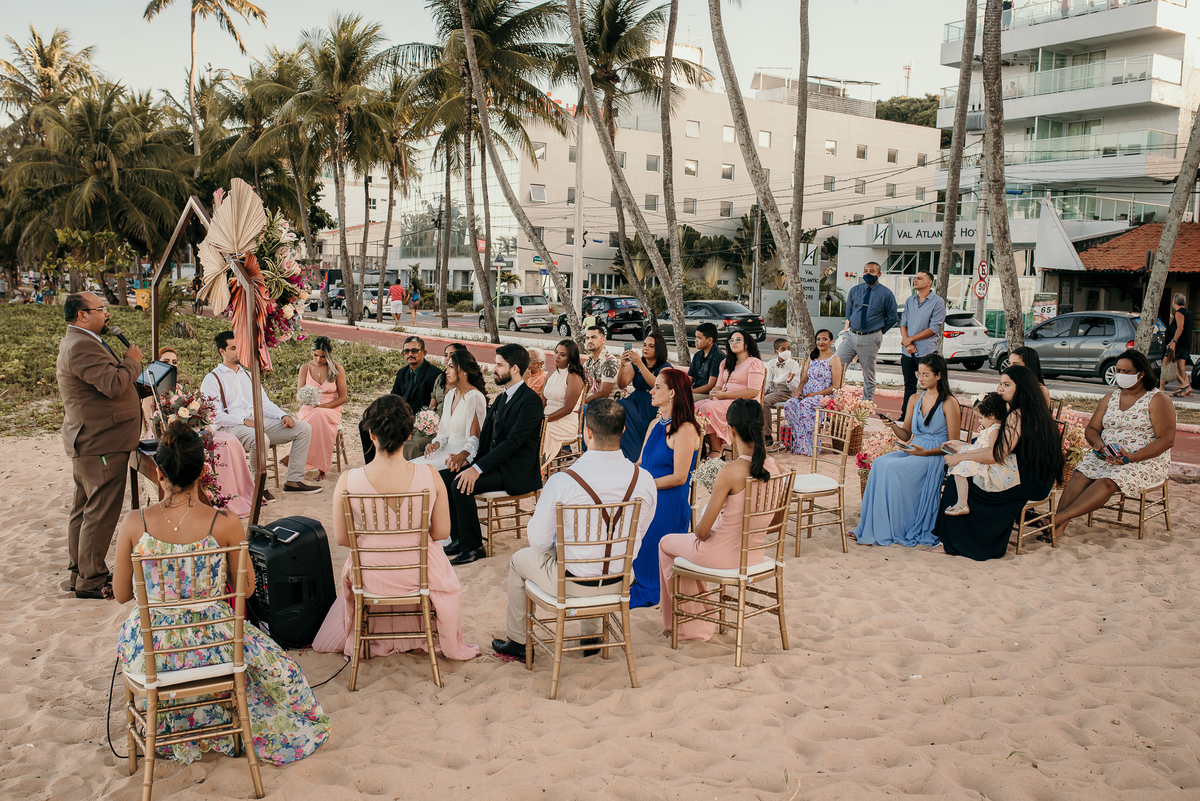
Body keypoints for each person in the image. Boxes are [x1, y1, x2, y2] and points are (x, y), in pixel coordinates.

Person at [114, 423, 331, 765]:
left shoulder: (133, 523)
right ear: (204, 470)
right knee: (282, 670)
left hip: (156, 648)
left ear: (158, 473)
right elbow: (245, 589)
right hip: (214, 645)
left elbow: (121, 593)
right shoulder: (225, 523)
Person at [313, 395, 479, 661]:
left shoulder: (348, 480)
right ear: (409, 435)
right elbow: (442, 533)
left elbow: (343, 538)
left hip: (370, 575)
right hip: (420, 574)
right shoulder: (430, 476)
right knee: (442, 569)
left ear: (370, 434)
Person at [491, 399, 658, 662]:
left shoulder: (563, 482)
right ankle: (591, 639)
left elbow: (538, 542)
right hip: (620, 582)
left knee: (519, 560)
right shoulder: (645, 480)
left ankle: (518, 641)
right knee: (591, 554)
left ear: (586, 432)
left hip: (572, 586)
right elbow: (639, 533)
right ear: (623, 431)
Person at [658, 399, 780, 641]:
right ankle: (700, 613)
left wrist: (711, 521)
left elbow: (702, 533)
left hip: (721, 557)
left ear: (731, 431)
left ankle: (683, 625)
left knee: (666, 544)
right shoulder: (775, 468)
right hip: (754, 556)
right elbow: (776, 522)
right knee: (683, 550)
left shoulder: (730, 471)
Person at [55, 292, 143, 599]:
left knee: (85, 509)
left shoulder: (84, 340)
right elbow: (113, 384)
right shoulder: (81, 346)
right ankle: (91, 580)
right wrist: (132, 363)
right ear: (82, 315)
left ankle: (79, 572)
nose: (106, 314)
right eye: (100, 309)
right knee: (101, 512)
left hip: (95, 439)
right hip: (101, 441)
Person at [932, 365, 1064, 559]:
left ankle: (956, 544)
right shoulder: (1035, 410)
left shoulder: (1017, 415)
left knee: (959, 478)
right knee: (967, 472)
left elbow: (996, 455)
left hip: (1026, 482)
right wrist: (965, 446)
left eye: (1007, 384)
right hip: (1036, 479)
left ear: (1021, 388)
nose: (1000, 388)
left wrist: (961, 456)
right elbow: (1001, 449)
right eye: (1000, 383)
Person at [1053, 350, 1175, 540]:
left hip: (1143, 461)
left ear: (1141, 373)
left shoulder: (1157, 399)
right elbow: (1092, 428)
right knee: (1079, 474)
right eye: (1118, 370)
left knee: (1108, 481)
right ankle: (1059, 528)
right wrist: (1098, 443)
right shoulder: (1111, 397)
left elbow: (1166, 439)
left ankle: (1055, 519)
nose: (1120, 375)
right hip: (1107, 455)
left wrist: (1132, 457)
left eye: (1126, 371)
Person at [443, 344, 544, 565]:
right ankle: (460, 538)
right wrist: (467, 459)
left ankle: (473, 547)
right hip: (497, 466)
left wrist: (476, 470)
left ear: (515, 368)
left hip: (516, 472)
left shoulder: (530, 401)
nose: (493, 368)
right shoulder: (501, 398)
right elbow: (487, 438)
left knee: (459, 485)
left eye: (499, 365)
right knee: (445, 477)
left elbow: (512, 443)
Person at [853, 353, 960, 547]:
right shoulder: (914, 399)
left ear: (938, 375)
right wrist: (892, 425)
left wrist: (926, 452)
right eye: (919, 374)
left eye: (926, 374)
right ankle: (874, 526)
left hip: (935, 455)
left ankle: (895, 527)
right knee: (879, 463)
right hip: (913, 448)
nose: (921, 378)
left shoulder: (949, 403)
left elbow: (954, 446)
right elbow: (906, 434)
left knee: (892, 469)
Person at [201, 331, 322, 495]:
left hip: (256, 423)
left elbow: (264, 404)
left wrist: (283, 415)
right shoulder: (212, 378)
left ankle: (293, 481)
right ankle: (259, 488)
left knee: (303, 428)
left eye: (240, 347)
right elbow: (214, 415)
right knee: (260, 438)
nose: (239, 351)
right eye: (233, 348)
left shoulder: (249, 375)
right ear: (222, 352)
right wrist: (243, 420)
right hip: (230, 427)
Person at [142, 348, 255, 518]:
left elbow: (192, 413)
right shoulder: (148, 390)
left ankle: (224, 496)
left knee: (229, 441)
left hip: (188, 431)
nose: (171, 365)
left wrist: (202, 422)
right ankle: (205, 494)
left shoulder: (179, 388)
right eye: (165, 362)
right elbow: (153, 419)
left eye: (174, 362)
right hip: (162, 434)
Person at [630, 368, 699, 608]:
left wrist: (644, 485)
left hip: (668, 501)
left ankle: (653, 587)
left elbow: (680, 477)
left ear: (672, 393)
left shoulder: (686, 429)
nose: (651, 390)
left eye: (657, 386)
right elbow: (641, 463)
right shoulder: (653, 424)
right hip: (647, 496)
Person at [359, 336, 442, 463]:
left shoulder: (435, 374)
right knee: (365, 425)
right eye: (406, 351)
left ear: (424, 353)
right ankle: (372, 465)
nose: (410, 354)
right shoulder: (402, 373)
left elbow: (434, 406)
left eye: (414, 351)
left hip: (419, 421)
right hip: (399, 416)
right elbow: (393, 397)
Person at [943, 392, 1019, 516]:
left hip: (985, 459)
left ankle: (962, 503)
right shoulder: (991, 427)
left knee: (959, 471)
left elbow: (991, 449)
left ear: (991, 416)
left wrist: (970, 451)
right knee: (956, 459)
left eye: (981, 418)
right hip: (979, 452)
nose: (979, 421)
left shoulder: (995, 430)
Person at [411, 349, 488, 472]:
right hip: (444, 452)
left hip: (459, 457)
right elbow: (444, 434)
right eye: (447, 367)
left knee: (419, 471)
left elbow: (475, 440)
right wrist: (435, 445)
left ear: (464, 371)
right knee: (410, 466)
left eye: (451, 367)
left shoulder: (474, 397)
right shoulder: (450, 395)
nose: (446, 372)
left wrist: (461, 456)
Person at [695, 331, 766, 454]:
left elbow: (753, 392)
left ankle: (717, 449)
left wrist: (724, 395)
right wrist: (714, 392)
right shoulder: (725, 362)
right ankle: (709, 446)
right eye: (731, 340)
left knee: (707, 408)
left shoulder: (754, 363)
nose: (734, 343)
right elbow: (718, 386)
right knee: (694, 407)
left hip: (745, 404)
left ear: (747, 344)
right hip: (723, 399)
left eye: (738, 340)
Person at [836, 261, 898, 401]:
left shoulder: (886, 293)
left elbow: (893, 317)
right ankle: (834, 399)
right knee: (837, 366)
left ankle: (866, 404)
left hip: (871, 337)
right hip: (851, 336)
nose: (867, 274)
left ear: (879, 274)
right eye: (865, 271)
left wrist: (879, 331)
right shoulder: (855, 290)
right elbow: (849, 312)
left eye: (871, 271)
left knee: (868, 374)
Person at [294, 336, 348, 481]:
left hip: (332, 409)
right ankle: (321, 465)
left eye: (323, 357)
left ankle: (312, 464)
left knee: (319, 415)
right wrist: (306, 399)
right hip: (309, 409)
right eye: (315, 355)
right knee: (316, 416)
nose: (318, 359)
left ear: (330, 354)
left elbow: (343, 398)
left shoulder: (337, 369)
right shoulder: (305, 368)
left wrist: (323, 406)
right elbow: (298, 396)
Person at [782, 329, 843, 456]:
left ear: (831, 341)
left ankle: (811, 446)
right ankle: (801, 442)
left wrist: (815, 394)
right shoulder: (812, 356)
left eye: (825, 339)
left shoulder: (834, 359)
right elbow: (804, 380)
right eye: (818, 339)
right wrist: (799, 391)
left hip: (824, 396)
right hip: (806, 395)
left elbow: (836, 386)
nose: (821, 342)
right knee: (789, 404)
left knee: (805, 405)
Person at [897, 269, 946, 421]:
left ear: (929, 282)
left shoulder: (938, 302)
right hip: (907, 352)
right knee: (909, 385)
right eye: (915, 277)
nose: (915, 280)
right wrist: (907, 343)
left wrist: (909, 340)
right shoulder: (909, 300)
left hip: (926, 352)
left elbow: (933, 329)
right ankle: (906, 416)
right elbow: (903, 324)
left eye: (919, 278)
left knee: (931, 386)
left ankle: (931, 416)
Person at [617, 333, 672, 460]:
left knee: (622, 407)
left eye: (651, 346)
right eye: (644, 345)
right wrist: (622, 366)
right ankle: (624, 453)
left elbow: (658, 386)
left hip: (652, 404)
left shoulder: (665, 368)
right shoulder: (636, 364)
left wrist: (640, 366)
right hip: (635, 400)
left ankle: (636, 455)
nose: (645, 348)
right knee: (619, 407)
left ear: (659, 348)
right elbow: (622, 384)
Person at [541, 339, 586, 462]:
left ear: (571, 357)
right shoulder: (550, 374)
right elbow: (542, 401)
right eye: (556, 352)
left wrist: (545, 420)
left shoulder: (574, 377)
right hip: (546, 418)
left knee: (543, 430)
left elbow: (568, 409)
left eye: (563, 355)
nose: (557, 356)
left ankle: (540, 465)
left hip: (565, 423)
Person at [582, 325, 622, 405]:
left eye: (593, 337)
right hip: (594, 403)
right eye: (587, 338)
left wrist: (582, 403)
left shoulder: (609, 362)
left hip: (610, 406)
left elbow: (604, 393)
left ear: (603, 340)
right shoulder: (588, 362)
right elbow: (585, 385)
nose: (590, 341)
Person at [1163, 293, 1192, 397]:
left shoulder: (1179, 313)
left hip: (1179, 343)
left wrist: (1173, 341)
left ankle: (1182, 387)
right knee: (1181, 366)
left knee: (1175, 366)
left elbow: (1180, 327)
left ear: (1174, 302)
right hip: (1186, 342)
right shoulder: (1187, 313)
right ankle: (1185, 387)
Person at [688, 322, 724, 399]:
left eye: (699, 338)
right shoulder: (697, 355)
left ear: (710, 340)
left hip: (708, 394)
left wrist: (689, 392)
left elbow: (710, 385)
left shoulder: (719, 356)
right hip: (695, 391)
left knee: (684, 399)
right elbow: (689, 378)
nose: (695, 340)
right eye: (696, 337)